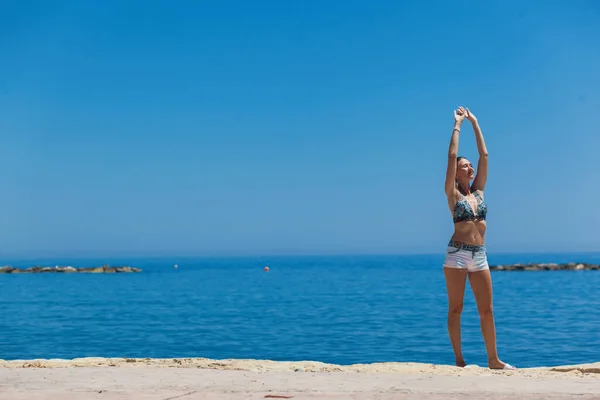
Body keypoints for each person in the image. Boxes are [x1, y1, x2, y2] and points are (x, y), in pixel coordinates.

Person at [443, 106, 515, 370]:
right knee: (456, 309)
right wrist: (458, 124)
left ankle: (493, 359)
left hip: (480, 255)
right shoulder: (453, 193)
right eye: (465, 165)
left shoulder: (479, 192)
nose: (470, 167)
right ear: (457, 172)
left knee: (487, 311)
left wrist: (475, 122)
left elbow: (484, 154)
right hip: (457, 253)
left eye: (470, 165)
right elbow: (451, 155)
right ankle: (460, 360)